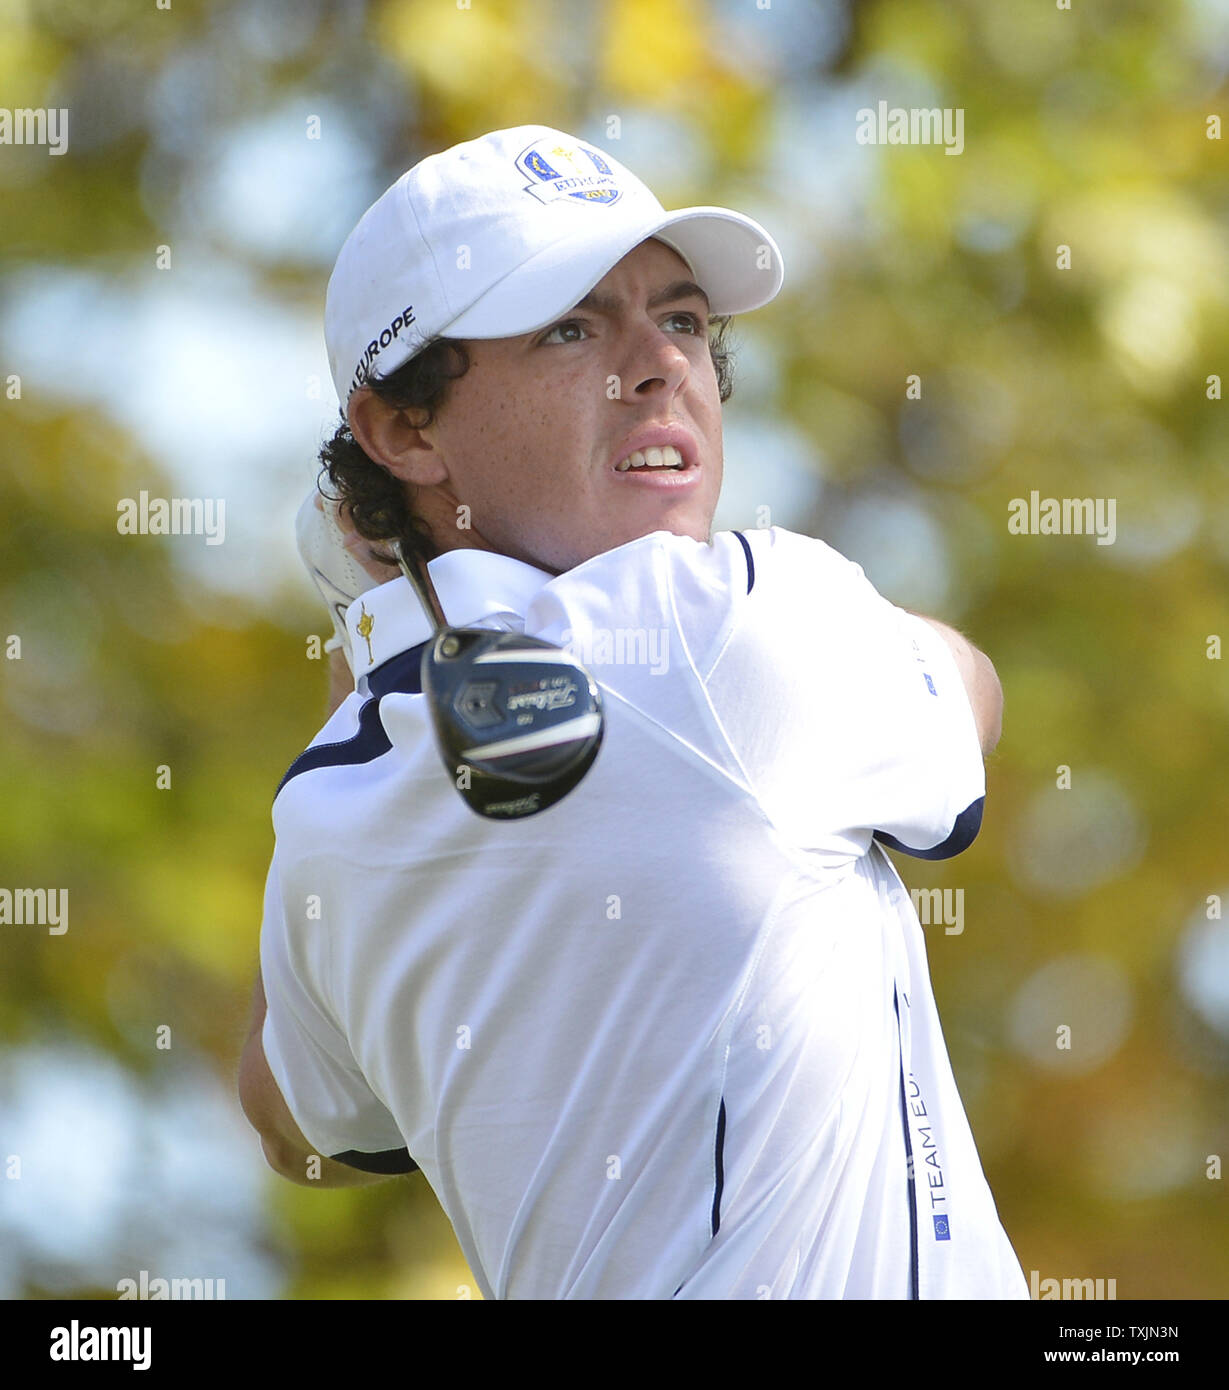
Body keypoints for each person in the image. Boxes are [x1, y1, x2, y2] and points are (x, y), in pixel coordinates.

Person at [238, 124, 1029, 1300]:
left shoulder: (329, 810)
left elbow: (291, 1117)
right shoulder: (744, 623)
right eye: (569, 325)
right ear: (405, 429)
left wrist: (379, 615)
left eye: (682, 319)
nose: (656, 364)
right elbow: (972, 692)